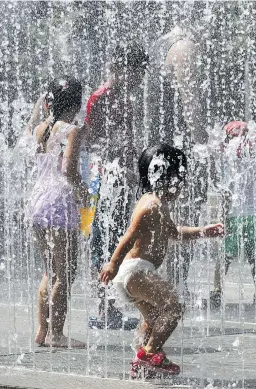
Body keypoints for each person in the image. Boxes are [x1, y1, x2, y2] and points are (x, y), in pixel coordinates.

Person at [100, 144, 224, 377]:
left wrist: (203, 232)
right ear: (166, 177)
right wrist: (113, 263)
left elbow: (173, 232)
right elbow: (129, 235)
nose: (183, 184)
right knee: (174, 307)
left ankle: (144, 360)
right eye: (180, 177)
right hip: (135, 271)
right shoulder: (151, 205)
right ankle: (147, 355)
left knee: (155, 318)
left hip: (136, 272)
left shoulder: (158, 204)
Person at [85, 42, 149, 330]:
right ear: (122, 70)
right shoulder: (101, 97)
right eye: (137, 74)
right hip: (103, 181)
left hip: (121, 181)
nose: (139, 81)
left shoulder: (124, 99)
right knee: (103, 243)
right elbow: (89, 140)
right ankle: (104, 308)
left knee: (116, 242)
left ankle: (110, 307)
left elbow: (128, 142)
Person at [148, 22, 209, 298]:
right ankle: (173, 287)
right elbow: (189, 101)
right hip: (177, 152)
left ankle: (158, 286)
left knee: (159, 218)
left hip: (157, 149)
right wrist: (201, 145)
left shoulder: (162, 45)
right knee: (183, 216)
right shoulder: (184, 48)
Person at [26, 76, 87, 348]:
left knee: (49, 271)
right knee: (65, 272)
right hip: (60, 203)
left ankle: (42, 331)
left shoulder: (40, 128)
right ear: (75, 103)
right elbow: (69, 170)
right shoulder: (71, 129)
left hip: (38, 202)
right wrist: (84, 193)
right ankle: (57, 333)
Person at [210, 121, 256, 310]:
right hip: (255, 215)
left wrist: (222, 216)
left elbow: (226, 192)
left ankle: (217, 291)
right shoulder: (253, 155)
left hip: (234, 214)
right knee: (254, 257)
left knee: (225, 255)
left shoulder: (228, 156)